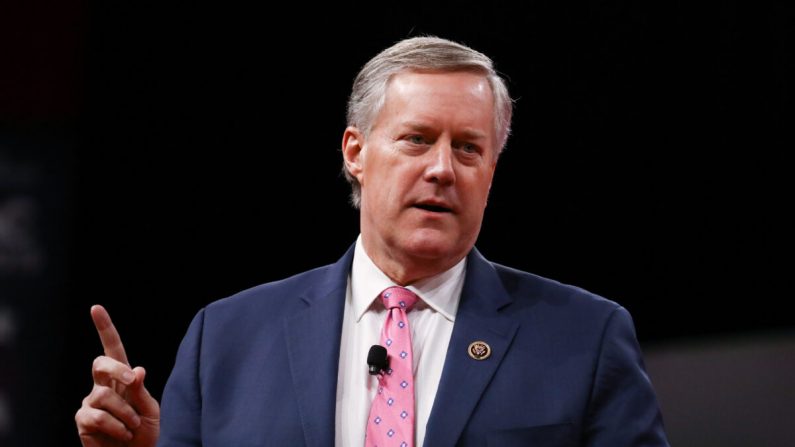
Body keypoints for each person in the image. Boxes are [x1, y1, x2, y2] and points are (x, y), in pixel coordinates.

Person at [76, 36, 669, 446]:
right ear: (356, 153)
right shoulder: (226, 340)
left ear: (492, 170)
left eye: (468, 148)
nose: (443, 169)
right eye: (416, 139)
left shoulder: (583, 339)